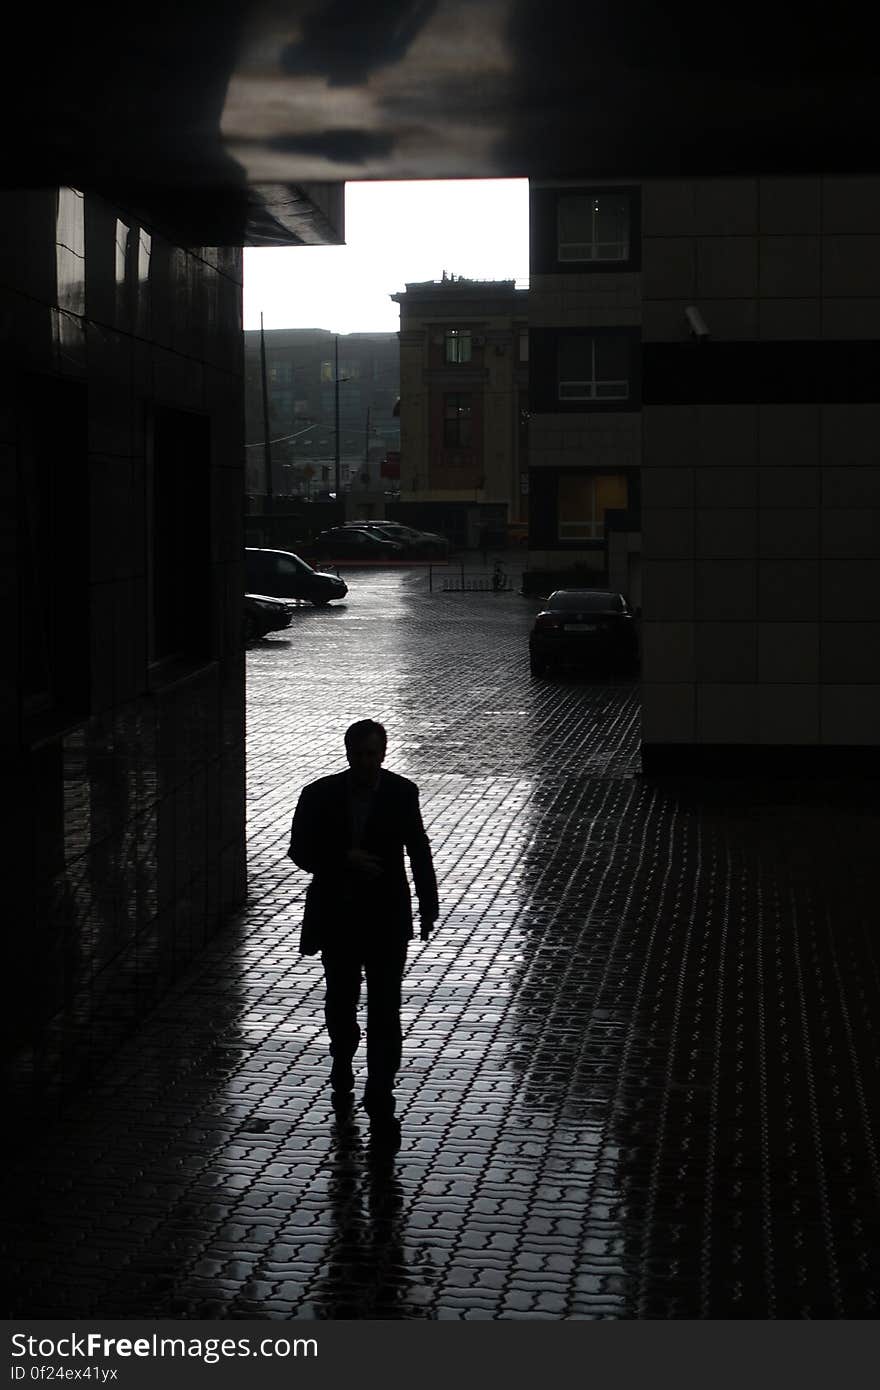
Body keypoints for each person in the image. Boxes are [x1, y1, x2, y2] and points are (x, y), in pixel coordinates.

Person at [288, 720, 439, 1146]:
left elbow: (418, 847)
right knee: (341, 996)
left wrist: (428, 905)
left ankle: (380, 1086)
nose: (367, 763)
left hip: (386, 916)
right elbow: (299, 850)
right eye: (360, 755)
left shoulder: (401, 792)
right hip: (339, 916)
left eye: (373, 755)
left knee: (385, 1004)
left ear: (383, 753)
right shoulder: (318, 795)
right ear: (349, 753)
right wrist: (344, 858)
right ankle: (343, 1055)